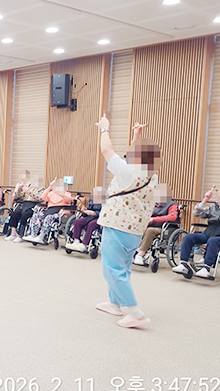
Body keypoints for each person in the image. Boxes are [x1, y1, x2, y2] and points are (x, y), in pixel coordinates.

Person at [94, 115, 160, 329]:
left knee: (112, 269)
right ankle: (114, 303)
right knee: (123, 268)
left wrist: (104, 128)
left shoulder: (127, 172)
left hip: (118, 226)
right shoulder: (151, 176)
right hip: (134, 231)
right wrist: (136, 136)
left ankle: (135, 313)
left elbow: (106, 150)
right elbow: (133, 157)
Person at [172, 186, 220, 279]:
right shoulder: (213, 208)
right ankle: (183, 264)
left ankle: (206, 268)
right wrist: (205, 199)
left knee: (212, 241)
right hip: (209, 232)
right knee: (188, 237)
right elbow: (196, 213)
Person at [133, 184, 179, 266]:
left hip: (165, 228)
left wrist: (153, 219)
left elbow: (172, 217)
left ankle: (141, 254)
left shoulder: (172, 204)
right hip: (151, 226)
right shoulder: (153, 204)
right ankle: (134, 250)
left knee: (150, 231)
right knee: (137, 228)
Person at [23, 177, 73, 244]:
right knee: (36, 215)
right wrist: (50, 187)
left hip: (61, 213)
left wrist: (60, 192)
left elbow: (69, 199)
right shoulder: (52, 193)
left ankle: (41, 236)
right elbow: (43, 197)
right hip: (50, 210)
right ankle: (33, 235)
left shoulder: (66, 194)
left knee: (49, 217)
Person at [6, 171, 46, 243]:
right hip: (24, 204)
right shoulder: (28, 187)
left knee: (25, 215)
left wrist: (29, 192)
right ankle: (13, 233)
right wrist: (19, 189)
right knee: (14, 213)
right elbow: (19, 196)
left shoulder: (42, 189)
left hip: (34, 205)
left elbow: (40, 198)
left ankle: (20, 235)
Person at [66, 187, 104, 252]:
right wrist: (85, 210)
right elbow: (89, 208)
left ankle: (84, 244)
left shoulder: (105, 202)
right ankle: (76, 242)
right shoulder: (92, 199)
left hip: (99, 218)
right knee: (78, 221)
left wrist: (94, 213)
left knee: (91, 224)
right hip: (90, 217)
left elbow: (104, 213)